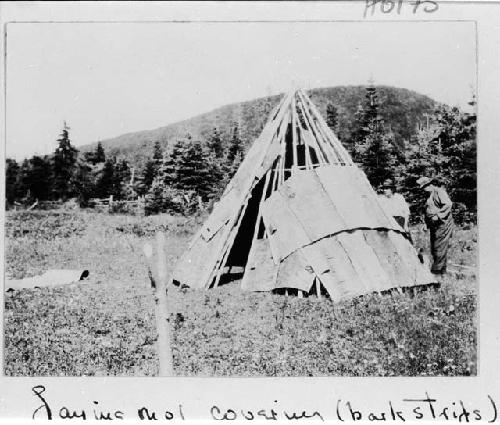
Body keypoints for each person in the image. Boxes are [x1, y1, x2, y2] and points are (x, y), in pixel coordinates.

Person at [417, 176, 454, 274]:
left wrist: (438, 215)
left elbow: (448, 204)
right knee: (435, 248)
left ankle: (436, 273)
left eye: (425, 186)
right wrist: (426, 224)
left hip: (443, 224)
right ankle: (442, 272)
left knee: (439, 248)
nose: (424, 189)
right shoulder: (429, 195)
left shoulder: (439, 192)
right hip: (434, 225)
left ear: (431, 185)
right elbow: (428, 211)